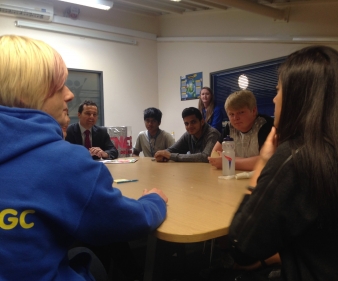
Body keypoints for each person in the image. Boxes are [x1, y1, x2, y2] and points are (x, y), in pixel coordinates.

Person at [0, 34, 168, 280]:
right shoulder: (63, 161)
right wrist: (155, 201)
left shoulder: (97, 135)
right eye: (58, 86)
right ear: (27, 94)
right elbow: (127, 221)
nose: (69, 95)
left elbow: (112, 151)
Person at [229, 46, 338, 281]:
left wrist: (264, 162)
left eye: (278, 90)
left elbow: (243, 247)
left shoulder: (298, 157)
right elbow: (330, 244)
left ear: (300, 98)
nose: (274, 98)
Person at [208, 90, 273, 171]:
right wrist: (247, 162)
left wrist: (229, 162)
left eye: (241, 112)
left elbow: (266, 161)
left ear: (253, 111)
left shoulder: (266, 125)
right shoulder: (230, 127)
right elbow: (215, 155)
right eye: (231, 114)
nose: (236, 118)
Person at [154, 107, 220, 163]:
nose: (189, 126)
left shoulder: (212, 134)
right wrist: (162, 154)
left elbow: (206, 157)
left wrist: (170, 156)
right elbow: (173, 149)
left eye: (193, 122)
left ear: (202, 122)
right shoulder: (188, 135)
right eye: (186, 124)